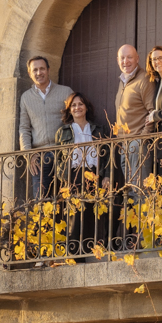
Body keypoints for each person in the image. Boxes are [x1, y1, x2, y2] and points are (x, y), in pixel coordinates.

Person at [54, 93, 108, 258]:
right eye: (74, 105)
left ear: (86, 107)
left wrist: (106, 176)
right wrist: (64, 178)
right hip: (73, 175)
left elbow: (107, 155)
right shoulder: (63, 132)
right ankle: (73, 254)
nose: (77, 108)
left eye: (80, 104)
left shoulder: (98, 129)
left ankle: (87, 252)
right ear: (69, 109)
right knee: (75, 214)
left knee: (91, 212)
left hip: (93, 174)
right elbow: (58, 159)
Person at [18, 56, 73, 200]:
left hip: (64, 153)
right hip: (40, 157)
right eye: (35, 70)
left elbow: (74, 121)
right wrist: (28, 154)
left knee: (70, 198)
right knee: (41, 201)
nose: (39, 73)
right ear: (30, 73)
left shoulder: (65, 92)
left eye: (42, 69)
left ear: (48, 70)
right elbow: (24, 128)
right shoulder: (26, 98)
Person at [115, 44, 156, 186]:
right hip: (124, 146)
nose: (125, 61)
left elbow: (153, 111)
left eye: (129, 57)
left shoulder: (145, 79)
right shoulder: (123, 81)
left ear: (137, 59)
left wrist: (142, 139)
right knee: (131, 191)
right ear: (117, 60)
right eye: (122, 58)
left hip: (138, 144)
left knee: (140, 191)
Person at [146, 46, 162, 132]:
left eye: (161, 58)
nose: (157, 62)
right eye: (154, 59)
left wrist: (155, 116)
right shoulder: (159, 82)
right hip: (160, 135)